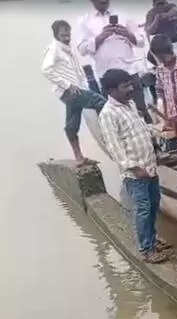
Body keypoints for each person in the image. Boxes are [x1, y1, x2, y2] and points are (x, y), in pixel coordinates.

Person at [98, 69, 169, 264]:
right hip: (135, 174)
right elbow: (114, 147)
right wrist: (134, 168)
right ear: (111, 90)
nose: (131, 89)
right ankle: (146, 249)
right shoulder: (108, 114)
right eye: (125, 86)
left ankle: (152, 238)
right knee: (143, 209)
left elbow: (141, 129)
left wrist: (160, 131)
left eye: (130, 84)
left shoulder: (129, 104)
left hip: (149, 166)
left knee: (154, 204)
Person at [42, 20, 106, 165]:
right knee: (100, 101)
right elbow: (46, 70)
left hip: (75, 90)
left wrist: (80, 83)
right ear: (56, 33)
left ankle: (79, 157)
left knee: (71, 125)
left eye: (68, 31)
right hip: (70, 92)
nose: (67, 34)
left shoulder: (67, 48)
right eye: (63, 31)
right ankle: (111, 135)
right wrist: (67, 85)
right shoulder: (54, 49)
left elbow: (75, 70)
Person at [76, 0, 152, 123]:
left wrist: (127, 34)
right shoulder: (84, 22)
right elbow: (82, 49)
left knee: (141, 111)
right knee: (118, 118)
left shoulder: (123, 15)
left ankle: (152, 140)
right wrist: (101, 37)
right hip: (107, 77)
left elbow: (141, 41)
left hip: (129, 72)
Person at [150, 34, 177, 140]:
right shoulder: (159, 70)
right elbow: (160, 92)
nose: (161, 60)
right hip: (173, 117)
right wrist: (165, 114)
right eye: (158, 58)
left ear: (170, 51)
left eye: (162, 57)